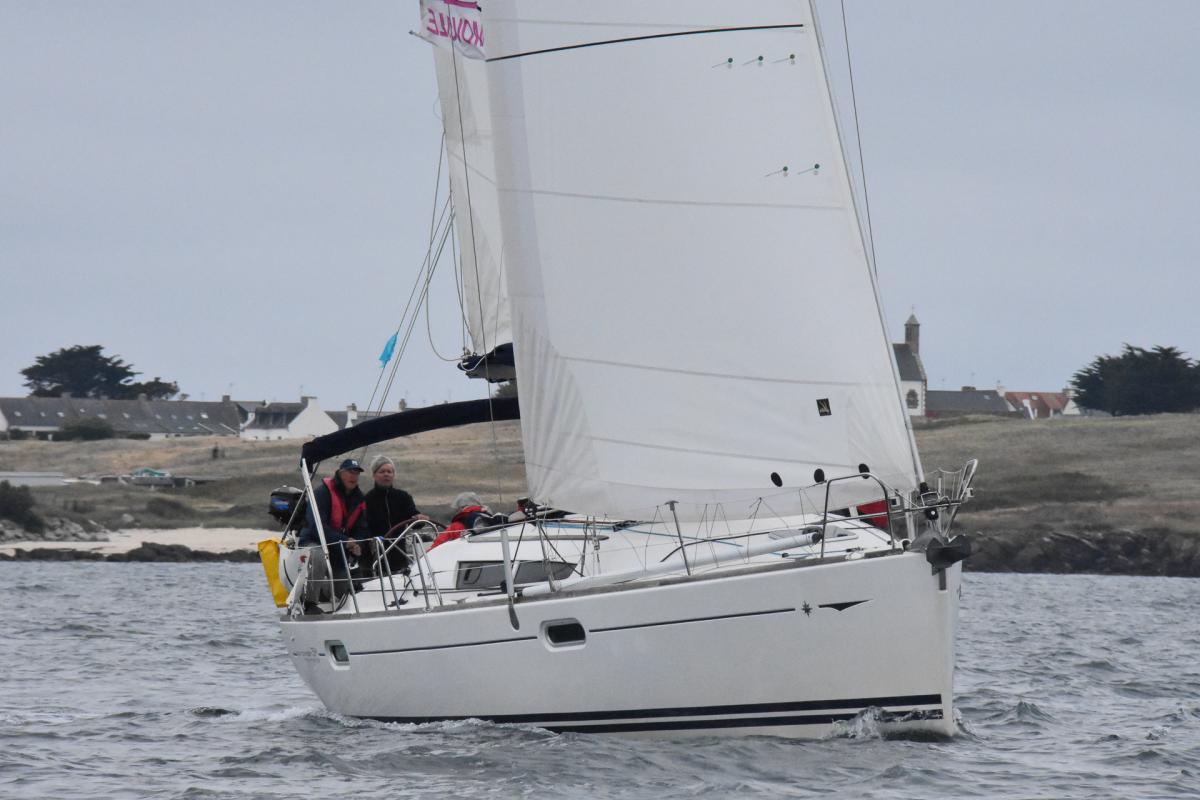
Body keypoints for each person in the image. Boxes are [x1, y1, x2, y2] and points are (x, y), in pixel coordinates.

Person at [298, 458, 371, 598]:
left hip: (338, 548)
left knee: (343, 590)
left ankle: (326, 591)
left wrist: (357, 543)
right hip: (313, 542)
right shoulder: (322, 493)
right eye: (350, 472)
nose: (354, 476)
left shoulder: (359, 498)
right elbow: (316, 527)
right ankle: (310, 602)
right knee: (319, 557)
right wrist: (344, 541)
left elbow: (362, 528)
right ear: (341, 473)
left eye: (357, 473)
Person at [363, 455, 429, 575]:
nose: (386, 474)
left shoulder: (403, 497)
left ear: (393, 475)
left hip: (400, 555)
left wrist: (420, 519)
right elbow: (363, 527)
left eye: (389, 471)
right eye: (382, 471)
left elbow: (414, 519)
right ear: (374, 475)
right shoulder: (366, 500)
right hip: (376, 556)